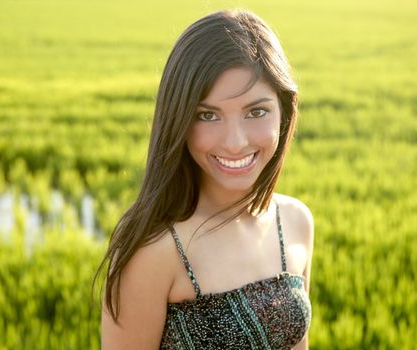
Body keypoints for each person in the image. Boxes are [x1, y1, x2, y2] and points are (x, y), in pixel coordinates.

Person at [95, 8, 314, 350]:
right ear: (178, 120)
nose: (235, 141)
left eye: (256, 111)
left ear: (284, 111)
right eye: (208, 115)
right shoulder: (152, 249)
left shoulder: (295, 221)